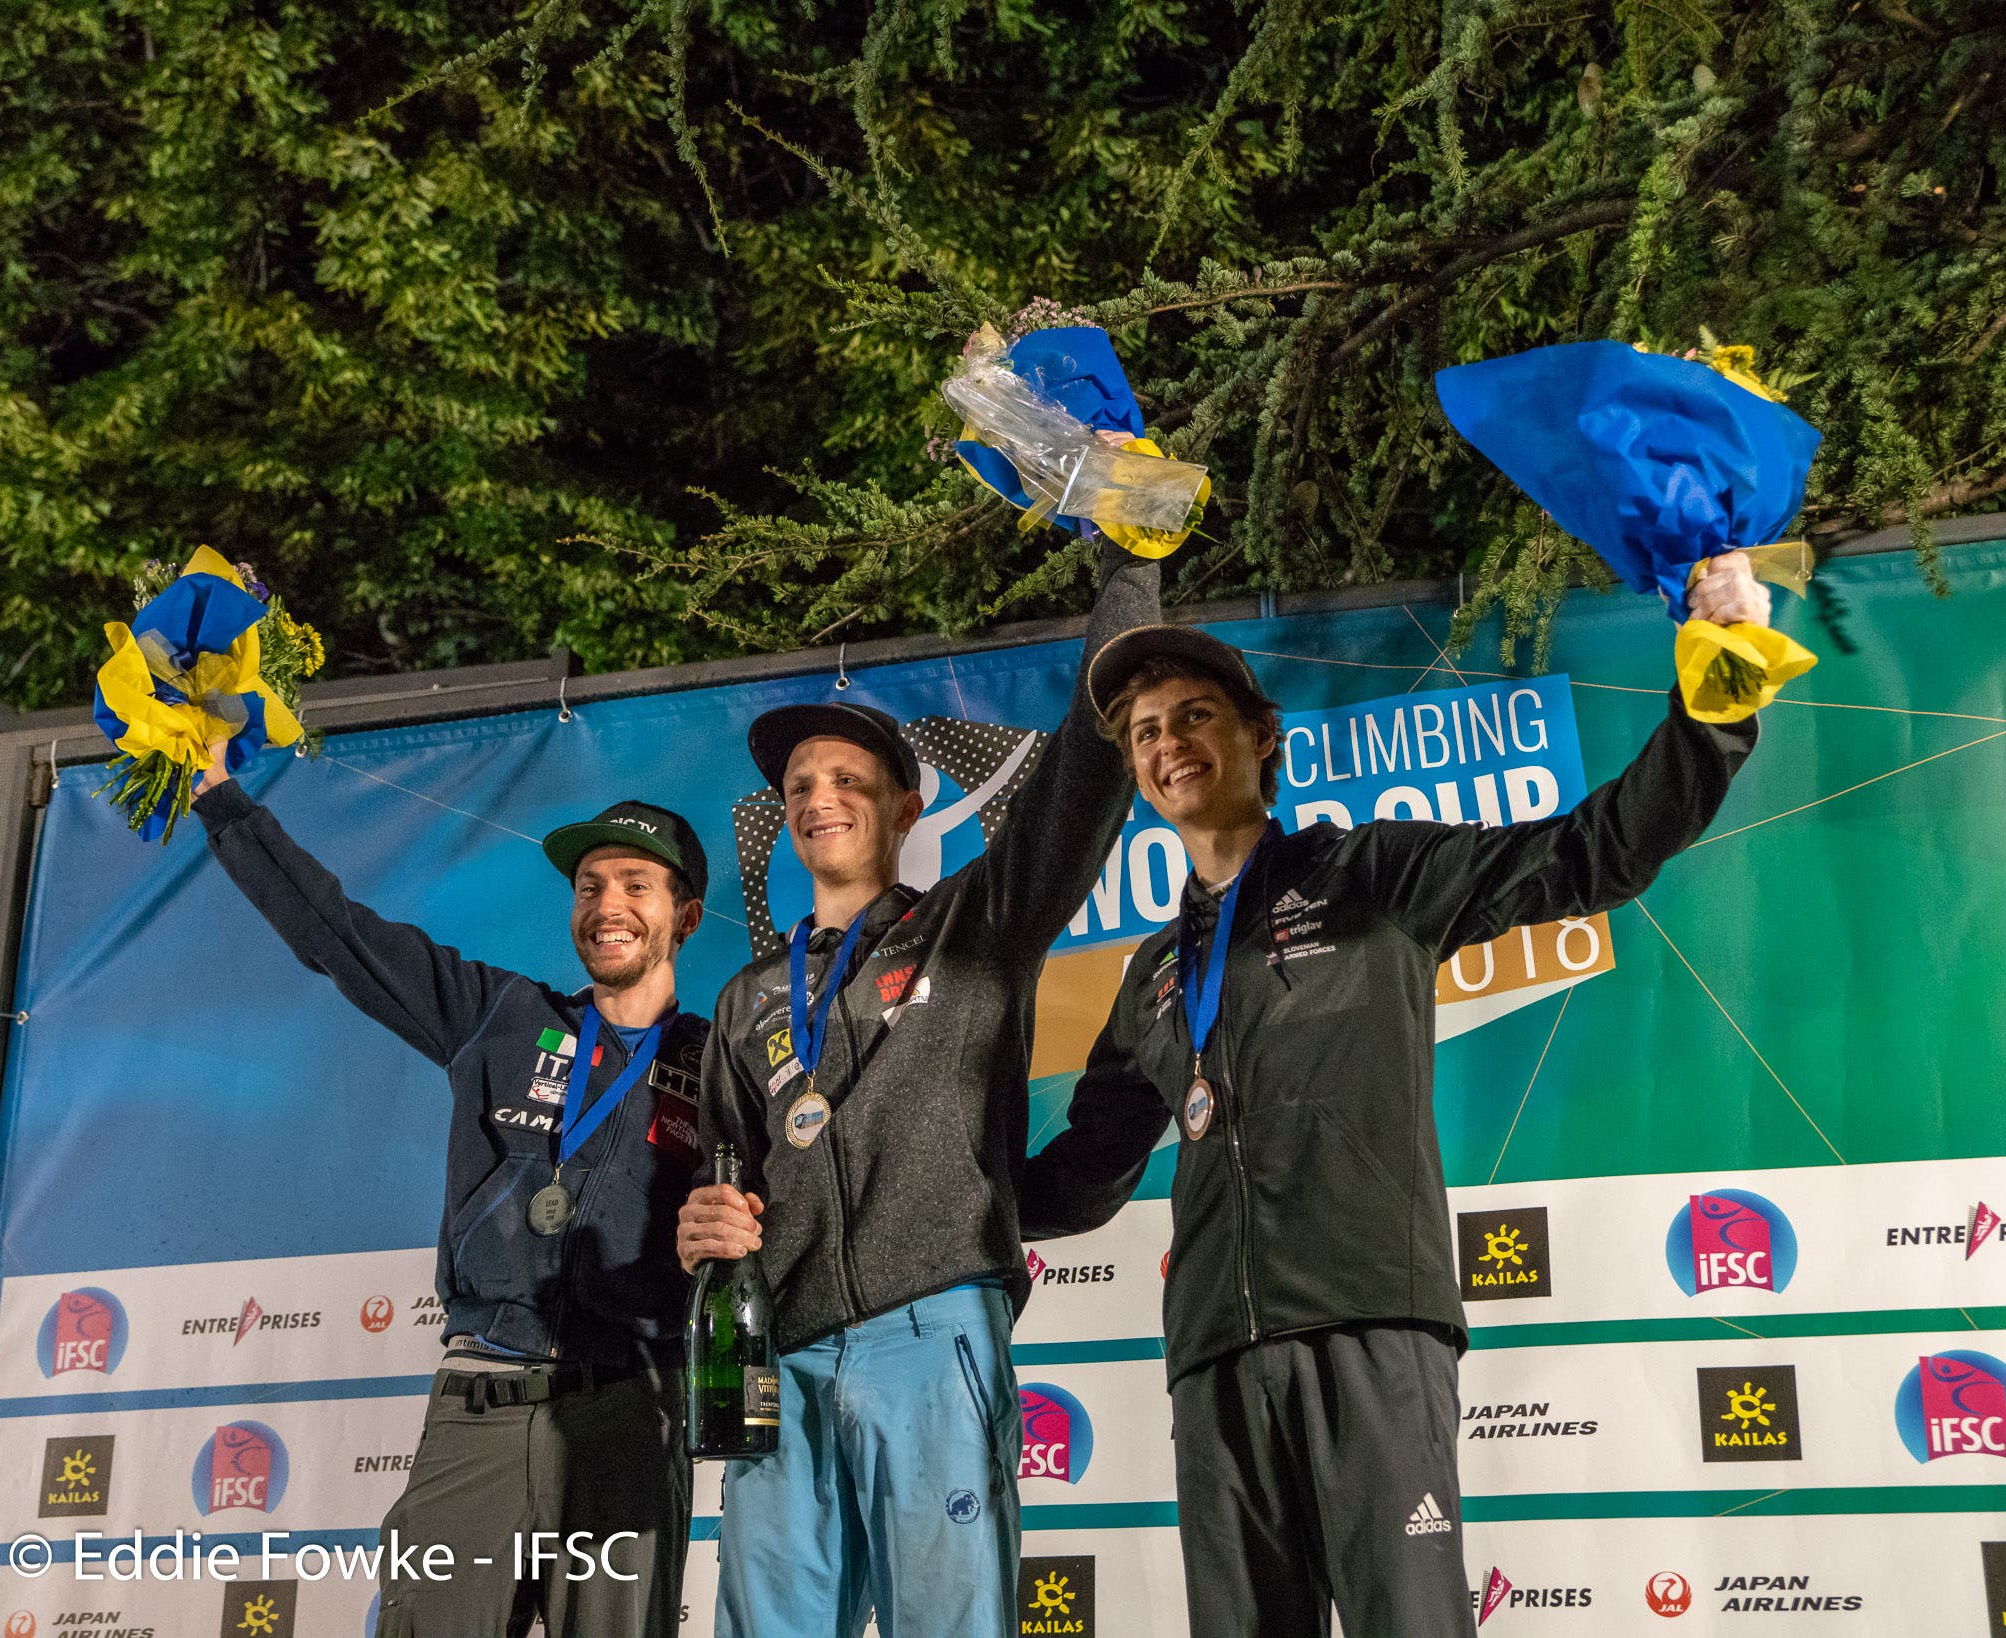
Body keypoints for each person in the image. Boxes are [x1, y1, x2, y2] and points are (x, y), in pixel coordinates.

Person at [1016, 553, 1774, 1635]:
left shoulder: (1365, 873)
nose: (1166, 745)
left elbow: (1590, 855)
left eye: (1190, 715)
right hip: (1213, 1363)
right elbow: (1080, 1177)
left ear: (1257, 734)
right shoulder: (1149, 974)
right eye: (1142, 734)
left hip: (1369, 1324)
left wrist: (1718, 696)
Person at [675, 539, 1160, 1638]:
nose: (818, 798)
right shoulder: (749, 998)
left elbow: (1083, 778)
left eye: (847, 781)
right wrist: (700, 1229)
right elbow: (722, 1193)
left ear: (904, 808)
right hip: (776, 1360)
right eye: (799, 787)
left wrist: (1129, 569)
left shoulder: (976, 925)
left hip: (933, 1332)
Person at [194, 747, 708, 1638]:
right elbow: (339, 937)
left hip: (630, 1414)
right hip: (481, 1409)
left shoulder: (720, 1062)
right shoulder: (501, 1016)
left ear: (686, 916)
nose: (608, 905)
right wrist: (219, 797)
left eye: (635, 884)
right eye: (589, 886)